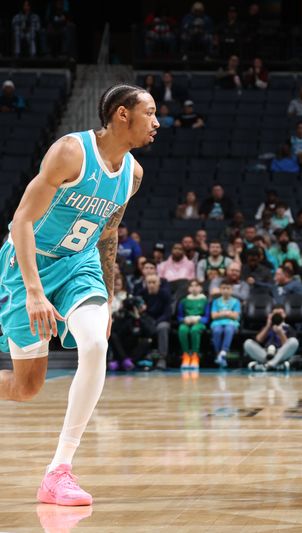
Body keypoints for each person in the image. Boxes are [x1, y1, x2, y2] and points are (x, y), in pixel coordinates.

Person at [0, 84, 157, 504]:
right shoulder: (71, 151)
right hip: (29, 263)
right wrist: (34, 291)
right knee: (27, 387)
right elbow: (21, 222)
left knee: (94, 343)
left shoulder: (133, 174)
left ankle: (59, 470)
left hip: (79, 264)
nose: (157, 122)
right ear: (122, 114)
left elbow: (108, 233)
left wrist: (105, 295)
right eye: (150, 113)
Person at [244, 304, 299, 371]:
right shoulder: (267, 327)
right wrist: (268, 326)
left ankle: (268, 365)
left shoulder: (289, 328)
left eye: (280, 313)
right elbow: (258, 340)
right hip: (266, 353)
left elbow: (287, 346)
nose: (278, 316)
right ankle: (277, 365)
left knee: (294, 341)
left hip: (281, 353)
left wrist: (280, 333)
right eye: (275, 314)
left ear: (285, 315)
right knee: (248, 343)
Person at [177, 279, 209, 370]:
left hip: (199, 322)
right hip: (187, 321)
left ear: (200, 288)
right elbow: (179, 316)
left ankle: (195, 355)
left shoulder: (205, 300)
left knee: (194, 330)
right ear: (188, 288)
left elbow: (207, 317)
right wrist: (184, 320)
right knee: (182, 330)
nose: (194, 288)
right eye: (192, 286)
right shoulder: (183, 301)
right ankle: (186, 354)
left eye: (196, 286)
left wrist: (199, 319)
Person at [210, 281, 241, 368]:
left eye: (228, 288)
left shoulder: (236, 302)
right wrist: (228, 313)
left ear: (232, 290)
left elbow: (235, 316)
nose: (226, 290)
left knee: (228, 329)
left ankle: (224, 351)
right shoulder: (216, 302)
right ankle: (218, 353)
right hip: (217, 323)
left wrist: (221, 313)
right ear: (220, 289)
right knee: (217, 331)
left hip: (231, 323)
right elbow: (214, 316)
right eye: (223, 288)